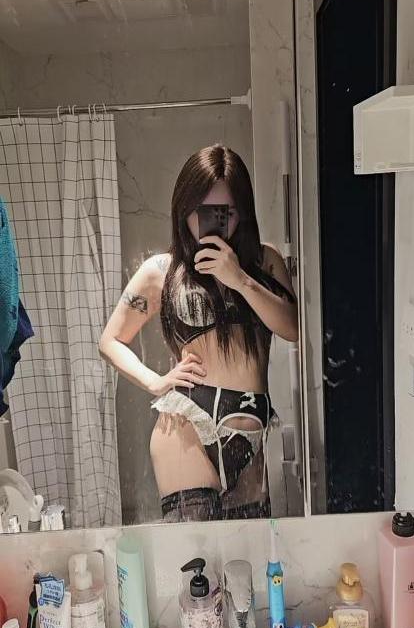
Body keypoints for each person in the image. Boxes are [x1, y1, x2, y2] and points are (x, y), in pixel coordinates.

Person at [100, 144, 298, 522]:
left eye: (224, 212)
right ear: (183, 208)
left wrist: (239, 279)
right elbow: (110, 340)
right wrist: (156, 381)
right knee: (195, 550)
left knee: (248, 551)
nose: (209, 222)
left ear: (242, 211)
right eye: (199, 210)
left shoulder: (265, 261)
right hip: (187, 429)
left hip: (250, 433)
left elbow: (292, 328)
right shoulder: (162, 271)